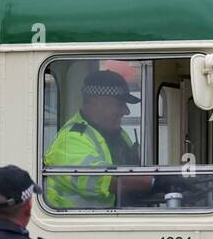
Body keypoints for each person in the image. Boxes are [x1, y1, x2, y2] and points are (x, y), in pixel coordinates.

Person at [44, 69, 153, 209]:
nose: (126, 111)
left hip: (109, 221)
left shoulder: (118, 134)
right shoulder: (71, 139)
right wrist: (154, 181)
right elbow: (101, 179)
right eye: (120, 104)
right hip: (75, 226)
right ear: (96, 102)